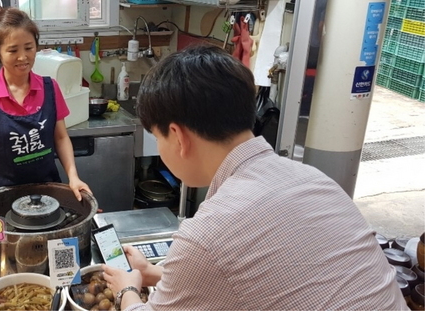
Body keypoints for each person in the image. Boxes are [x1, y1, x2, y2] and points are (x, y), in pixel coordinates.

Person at [102, 44, 408, 310]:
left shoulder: (206, 237)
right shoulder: (316, 181)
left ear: (178, 137)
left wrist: (128, 290)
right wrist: (154, 273)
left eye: (157, 137)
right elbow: (266, 276)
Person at [0, 6, 90, 214]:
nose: (23, 57)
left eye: (29, 48)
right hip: (1, 197)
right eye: (13, 50)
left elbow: (60, 137)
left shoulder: (50, 88)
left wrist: (73, 176)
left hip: (49, 195)